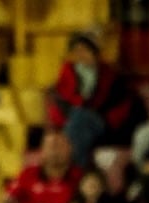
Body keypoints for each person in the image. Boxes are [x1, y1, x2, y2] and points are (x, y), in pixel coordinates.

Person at [48, 31, 142, 165]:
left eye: (85, 50)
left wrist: (103, 118)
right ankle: (81, 171)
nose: (81, 55)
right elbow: (58, 105)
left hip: (101, 123)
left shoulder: (109, 76)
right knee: (79, 121)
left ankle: (72, 171)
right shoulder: (66, 75)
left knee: (80, 118)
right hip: (73, 123)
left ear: (95, 53)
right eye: (76, 51)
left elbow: (121, 107)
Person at [3, 129, 82, 203]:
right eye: (51, 146)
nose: (55, 151)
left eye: (59, 145)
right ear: (42, 152)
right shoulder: (28, 175)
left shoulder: (79, 177)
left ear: (69, 149)